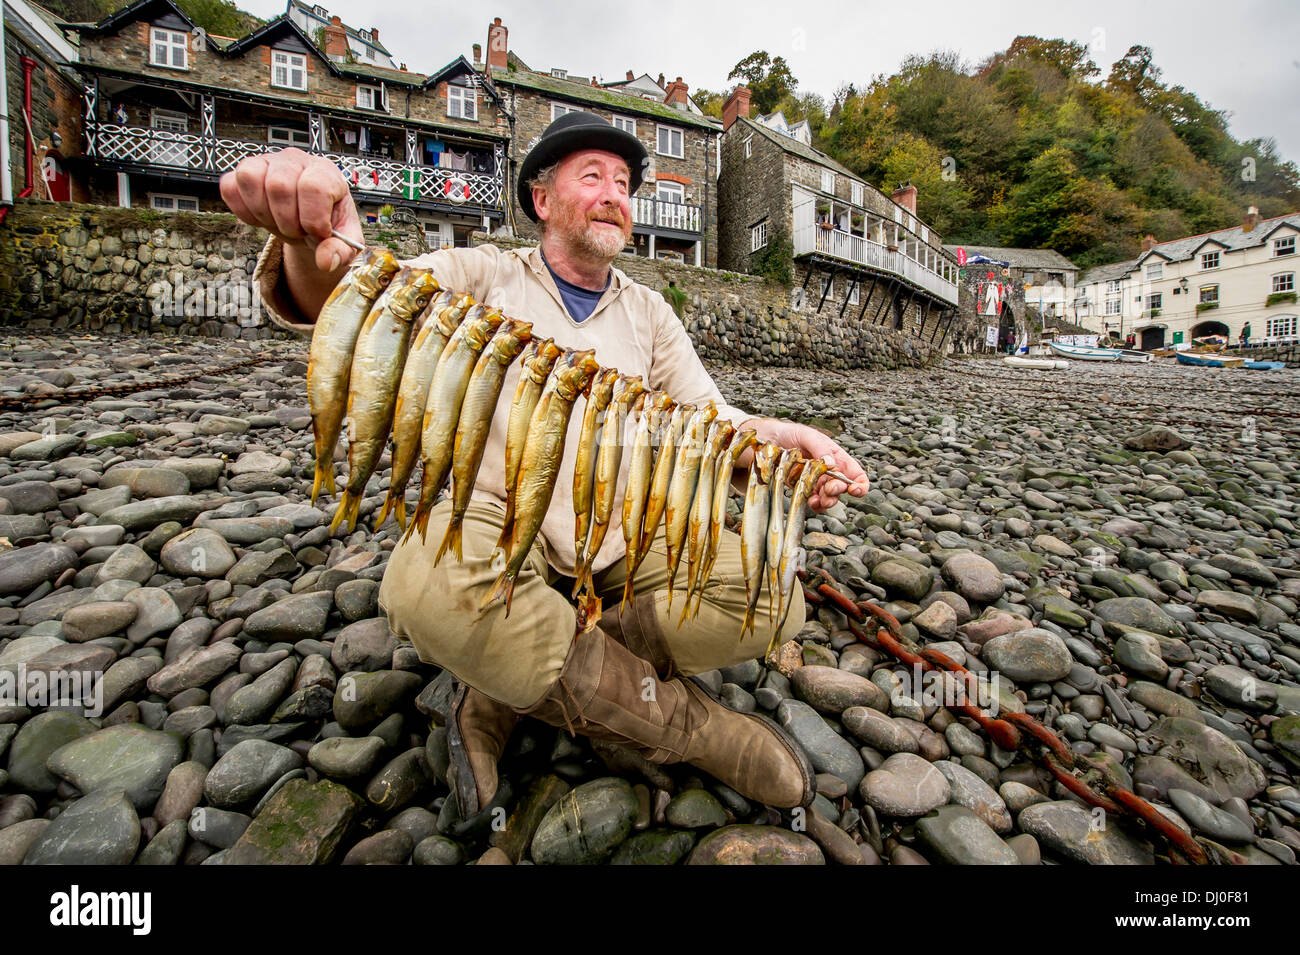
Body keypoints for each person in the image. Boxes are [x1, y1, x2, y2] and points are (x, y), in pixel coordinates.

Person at [221, 112, 871, 816]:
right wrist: (310, 236)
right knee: (425, 583)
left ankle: (516, 682)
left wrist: (779, 439)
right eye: (592, 176)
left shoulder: (649, 311)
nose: (614, 194)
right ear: (541, 201)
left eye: (624, 183)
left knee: (775, 588)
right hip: (503, 529)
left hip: (620, 544)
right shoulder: (482, 273)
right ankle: (690, 729)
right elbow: (359, 295)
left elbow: (713, 420)